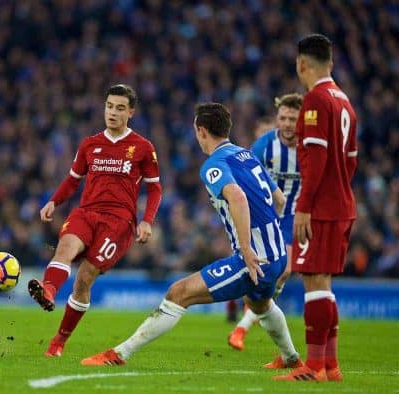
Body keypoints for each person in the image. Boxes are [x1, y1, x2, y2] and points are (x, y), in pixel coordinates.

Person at [81, 103, 302, 371]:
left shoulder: (214, 164)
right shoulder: (245, 154)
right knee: (260, 304)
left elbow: (238, 197)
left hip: (254, 259)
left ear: (201, 131)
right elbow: (279, 199)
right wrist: (270, 237)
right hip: (276, 254)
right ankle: (291, 357)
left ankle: (120, 353)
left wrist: (246, 248)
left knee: (179, 292)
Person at [28, 84, 162, 357]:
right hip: (86, 212)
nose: (112, 112)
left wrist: (147, 220)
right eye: (109, 106)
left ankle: (59, 341)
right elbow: (72, 180)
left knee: (84, 278)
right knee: (65, 247)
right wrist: (54, 201)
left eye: (120, 108)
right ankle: (49, 290)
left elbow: (155, 188)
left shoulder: (143, 148)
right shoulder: (90, 144)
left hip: (119, 222)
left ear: (131, 112)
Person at [275, 34, 357, 382]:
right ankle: (331, 366)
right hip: (341, 204)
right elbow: (350, 160)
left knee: (314, 281)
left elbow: (317, 160)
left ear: (301, 64)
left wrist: (305, 207)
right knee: (324, 284)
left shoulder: (315, 100)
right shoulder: (345, 101)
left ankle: (313, 367)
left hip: (320, 208)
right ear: (331, 63)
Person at [228, 93, 303, 352]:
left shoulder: (309, 147)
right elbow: (244, 174)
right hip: (266, 214)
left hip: (293, 215)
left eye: (293, 119)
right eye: (283, 118)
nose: (287, 124)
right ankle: (247, 314)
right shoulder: (263, 145)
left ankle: (241, 328)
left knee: (284, 270)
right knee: (259, 271)